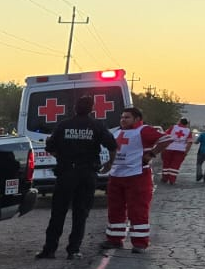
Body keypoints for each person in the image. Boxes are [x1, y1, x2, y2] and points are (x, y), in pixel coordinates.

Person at [36, 98, 117, 260]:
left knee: (58, 212)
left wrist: (63, 158)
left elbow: (50, 147)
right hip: (87, 174)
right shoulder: (97, 126)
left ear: (74, 108)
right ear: (92, 109)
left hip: (66, 173)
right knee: (81, 213)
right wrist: (109, 163)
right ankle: (73, 250)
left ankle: (49, 250)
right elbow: (113, 146)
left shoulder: (63, 125)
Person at [103, 106, 171, 252]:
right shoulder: (118, 132)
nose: (123, 120)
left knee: (138, 210)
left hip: (137, 176)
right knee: (115, 209)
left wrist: (152, 154)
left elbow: (167, 138)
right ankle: (114, 239)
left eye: (127, 117)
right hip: (116, 176)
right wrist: (109, 164)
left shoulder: (144, 130)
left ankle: (140, 243)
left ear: (137, 119)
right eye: (122, 117)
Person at [160, 117, 194, 185]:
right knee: (175, 165)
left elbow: (165, 136)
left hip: (169, 147)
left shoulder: (173, 127)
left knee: (166, 164)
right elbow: (189, 143)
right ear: (187, 123)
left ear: (180, 121)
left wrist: (162, 147)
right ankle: (172, 180)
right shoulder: (188, 131)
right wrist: (186, 152)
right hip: (180, 150)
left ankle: (165, 178)